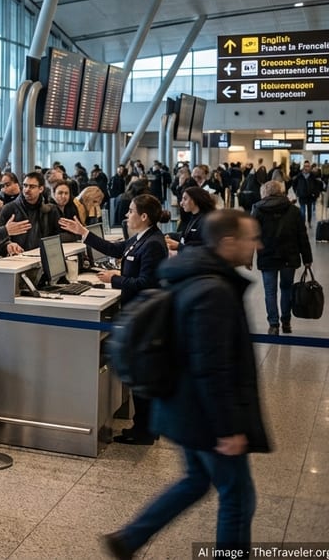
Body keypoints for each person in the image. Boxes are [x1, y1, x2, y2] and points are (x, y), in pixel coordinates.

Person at [103, 210, 269, 560]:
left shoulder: (193, 273)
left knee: (195, 481)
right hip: (205, 415)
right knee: (238, 499)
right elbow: (213, 366)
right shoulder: (215, 290)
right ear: (228, 242)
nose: (257, 245)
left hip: (183, 406)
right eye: (251, 238)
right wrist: (229, 427)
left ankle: (130, 538)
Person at [60, 193, 168, 445]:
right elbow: (115, 249)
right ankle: (144, 426)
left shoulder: (153, 243)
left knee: (142, 375)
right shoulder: (140, 239)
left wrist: (114, 279)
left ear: (144, 216)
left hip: (145, 317)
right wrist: (84, 232)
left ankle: (145, 431)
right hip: (137, 314)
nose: (127, 215)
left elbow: (147, 283)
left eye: (131, 211)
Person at [251, 180, 313, 335]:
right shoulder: (294, 210)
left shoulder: (258, 209)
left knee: (270, 292)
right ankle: (286, 322)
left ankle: (273, 324)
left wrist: (247, 258)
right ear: (281, 191)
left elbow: (251, 236)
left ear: (264, 192)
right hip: (289, 256)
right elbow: (302, 236)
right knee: (286, 289)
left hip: (267, 256)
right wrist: (307, 258)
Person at [0, 171, 59, 251]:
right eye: (25, 186)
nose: (27, 190)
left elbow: (57, 236)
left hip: (41, 256)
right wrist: (8, 244)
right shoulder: (9, 209)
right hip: (17, 258)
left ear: (41, 189)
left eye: (32, 187)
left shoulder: (49, 210)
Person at [166, 186, 216, 253]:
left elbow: (205, 248)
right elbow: (186, 235)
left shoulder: (206, 220)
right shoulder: (193, 216)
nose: (181, 203)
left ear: (195, 200)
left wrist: (179, 246)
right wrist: (170, 235)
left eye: (185, 199)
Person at [292, 161, 323, 225]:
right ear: (303, 167)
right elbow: (294, 183)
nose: (306, 167)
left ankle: (309, 222)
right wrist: (296, 191)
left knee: (309, 211)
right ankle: (303, 224)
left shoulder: (312, 175)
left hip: (310, 196)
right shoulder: (300, 175)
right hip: (302, 196)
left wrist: (316, 194)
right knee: (302, 211)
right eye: (305, 166)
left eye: (308, 166)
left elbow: (317, 184)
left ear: (310, 167)